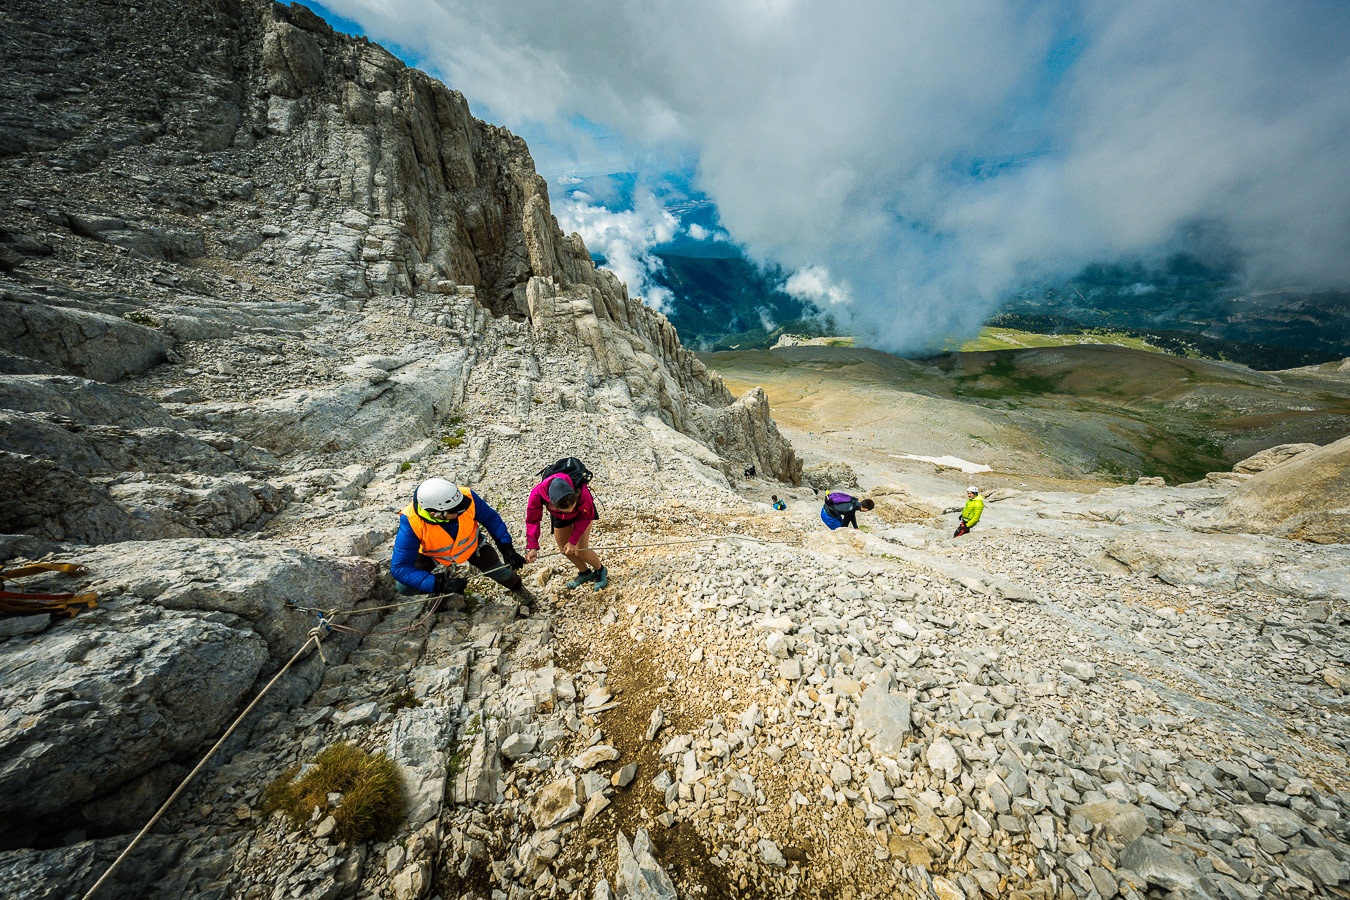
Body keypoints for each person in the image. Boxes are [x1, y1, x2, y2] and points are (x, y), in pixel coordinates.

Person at [391, 477, 531, 605]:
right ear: (436, 514)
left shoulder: (466, 496)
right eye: (456, 510)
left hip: (471, 545)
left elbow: (491, 519)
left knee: (499, 571)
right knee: (404, 587)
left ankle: (517, 587)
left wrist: (506, 547)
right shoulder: (411, 521)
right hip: (432, 553)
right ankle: (438, 588)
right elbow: (400, 569)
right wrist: (439, 584)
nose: (462, 510)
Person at [525, 470, 606, 590]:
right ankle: (585, 573)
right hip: (559, 516)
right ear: (551, 504)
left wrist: (573, 540)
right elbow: (532, 521)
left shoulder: (582, 491)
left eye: (572, 507)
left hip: (583, 513)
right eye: (567, 510)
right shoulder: (537, 494)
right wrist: (533, 547)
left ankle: (600, 570)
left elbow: (587, 516)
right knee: (565, 549)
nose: (570, 511)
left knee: (580, 551)